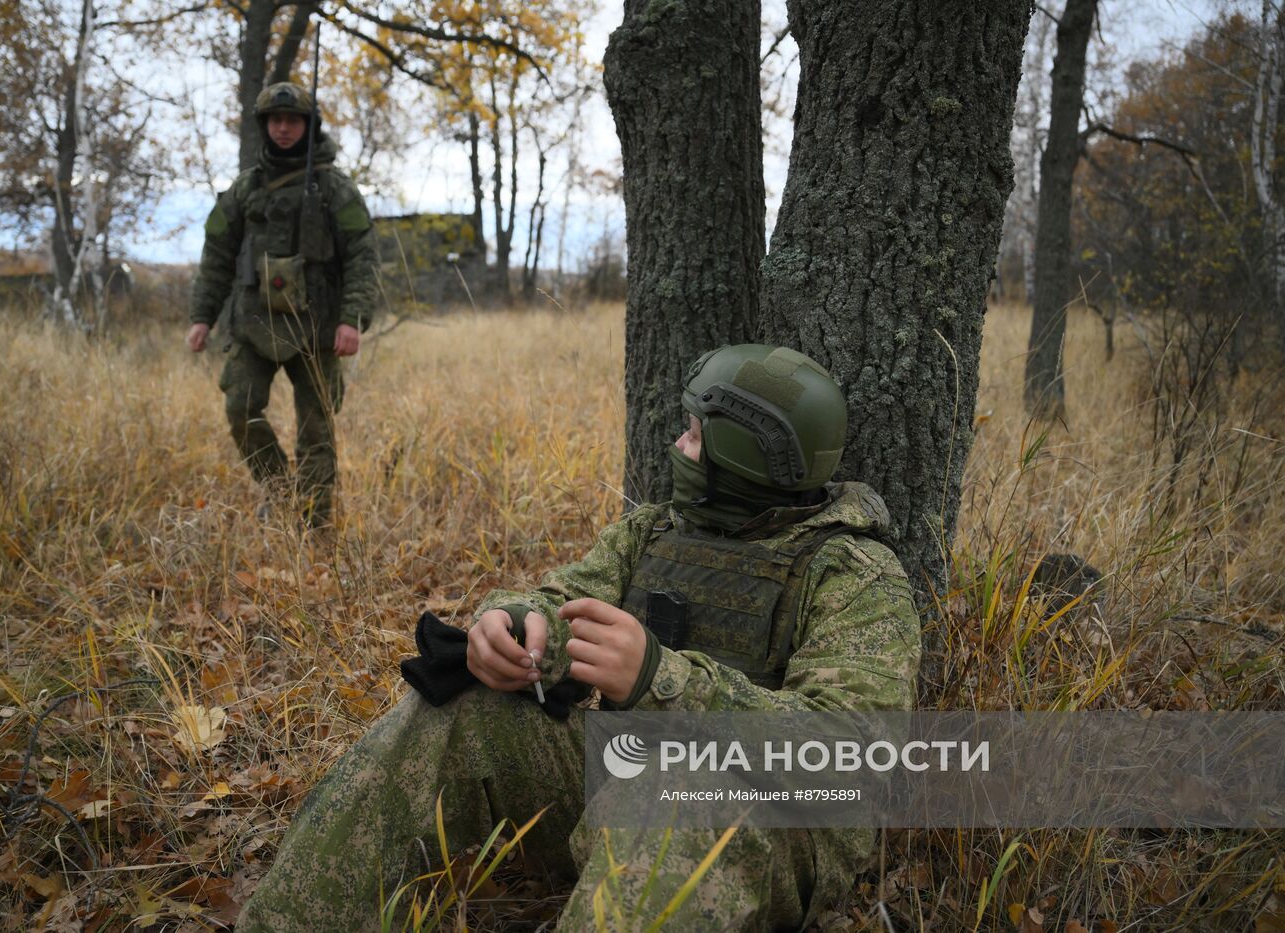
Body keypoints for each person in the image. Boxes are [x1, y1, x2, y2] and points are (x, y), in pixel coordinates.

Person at [236, 344, 921, 930]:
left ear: (744, 453)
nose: (677, 445)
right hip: (627, 788)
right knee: (456, 706)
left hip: (771, 829)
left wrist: (660, 679)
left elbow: (852, 752)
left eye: (693, 433)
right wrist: (508, 626)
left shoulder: (853, 573)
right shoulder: (654, 532)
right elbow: (560, 599)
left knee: (671, 794)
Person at [186, 81, 377, 527]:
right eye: (276, 120)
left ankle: (312, 523)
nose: (284, 128)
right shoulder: (244, 189)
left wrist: (352, 320)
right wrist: (202, 316)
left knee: (317, 427)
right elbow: (215, 254)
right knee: (239, 407)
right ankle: (281, 491)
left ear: (309, 126)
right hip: (253, 324)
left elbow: (363, 257)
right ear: (264, 125)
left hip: (318, 326)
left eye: (293, 120)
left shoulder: (335, 189)